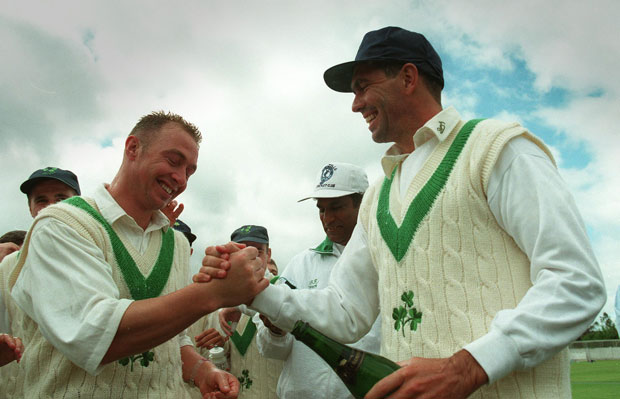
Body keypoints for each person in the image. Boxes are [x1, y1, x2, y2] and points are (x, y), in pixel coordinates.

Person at [201, 27, 606, 398]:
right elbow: (344, 311)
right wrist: (255, 291)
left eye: (363, 87)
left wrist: (467, 367)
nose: (355, 104)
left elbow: (577, 283)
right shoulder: (378, 196)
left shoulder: (496, 149)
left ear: (409, 78)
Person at [7, 111, 268, 398]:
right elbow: (93, 334)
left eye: (189, 171)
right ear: (133, 148)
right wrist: (213, 294)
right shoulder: (62, 224)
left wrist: (201, 370)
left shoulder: (177, 243)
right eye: (173, 160)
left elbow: (173, 336)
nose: (180, 179)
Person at [255, 162, 381, 399]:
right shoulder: (301, 265)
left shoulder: (386, 260)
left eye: (336, 207)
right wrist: (275, 331)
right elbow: (272, 351)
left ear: (363, 204)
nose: (327, 218)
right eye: (321, 209)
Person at [208, 225, 284, 399]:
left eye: (258, 250)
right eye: (242, 250)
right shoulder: (222, 297)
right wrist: (219, 345)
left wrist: (238, 305)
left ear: (269, 254)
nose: (251, 257)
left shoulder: (282, 287)